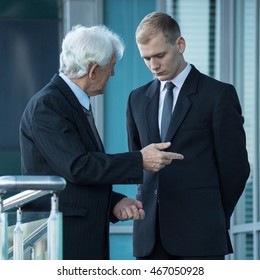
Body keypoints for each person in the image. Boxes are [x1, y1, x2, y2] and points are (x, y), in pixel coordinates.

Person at [19, 24, 184, 260]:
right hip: (64, 241)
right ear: (94, 70)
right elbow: (78, 166)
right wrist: (140, 160)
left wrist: (113, 203)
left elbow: (71, 177)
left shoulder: (70, 103)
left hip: (77, 235)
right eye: (112, 67)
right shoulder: (49, 104)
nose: (113, 74)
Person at [126, 12, 250, 260]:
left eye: (160, 55)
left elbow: (235, 168)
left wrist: (211, 215)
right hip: (150, 240)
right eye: (146, 58)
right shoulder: (137, 99)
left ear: (180, 45)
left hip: (201, 238)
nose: (153, 65)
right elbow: (137, 162)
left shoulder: (218, 95)